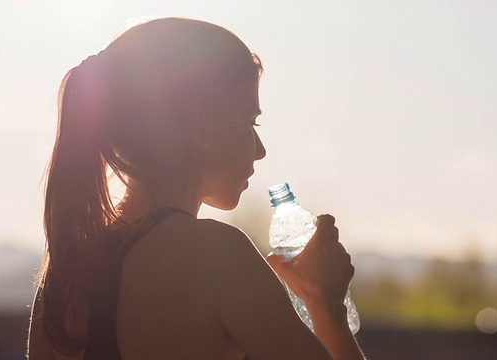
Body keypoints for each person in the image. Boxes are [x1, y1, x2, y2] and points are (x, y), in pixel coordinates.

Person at [27, 17, 366, 360]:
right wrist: (327, 306)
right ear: (201, 125)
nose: (260, 149)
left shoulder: (64, 275)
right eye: (251, 122)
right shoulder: (217, 256)